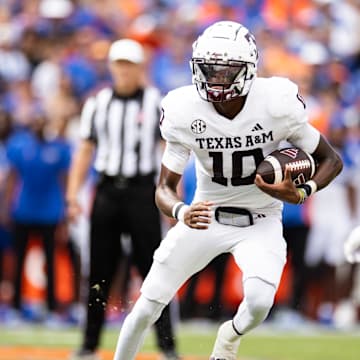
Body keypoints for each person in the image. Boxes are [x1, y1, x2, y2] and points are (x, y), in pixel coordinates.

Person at [112, 21, 343, 360]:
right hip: (205, 216)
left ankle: (230, 334)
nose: (216, 78)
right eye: (209, 69)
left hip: (261, 218)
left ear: (248, 70)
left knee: (260, 302)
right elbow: (164, 188)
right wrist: (181, 211)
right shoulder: (182, 109)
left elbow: (330, 160)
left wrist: (302, 192)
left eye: (226, 71)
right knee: (145, 308)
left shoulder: (275, 102)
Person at [66, 39, 179, 360]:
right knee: (99, 271)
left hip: (143, 192)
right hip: (106, 192)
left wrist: (172, 198)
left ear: (140, 67)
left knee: (155, 271)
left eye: (130, 64)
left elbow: (170, 153)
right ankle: (89, 346)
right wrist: (73, 195)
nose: (124, 70)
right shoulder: (98, 103)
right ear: (112, 67)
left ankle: (168, 347)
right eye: (119, 64)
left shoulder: (157, 103)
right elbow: (85, 150)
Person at [4, 114, 71, 321]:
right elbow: (12, 178)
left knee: (50, 261)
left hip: (50, 212)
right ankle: (15, 308)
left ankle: (51, 308)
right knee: (19, 259)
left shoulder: (59, 149)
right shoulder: (19, 146)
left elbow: (64, 181)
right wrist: (6, 206)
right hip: (24, 209)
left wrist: (66, 212)